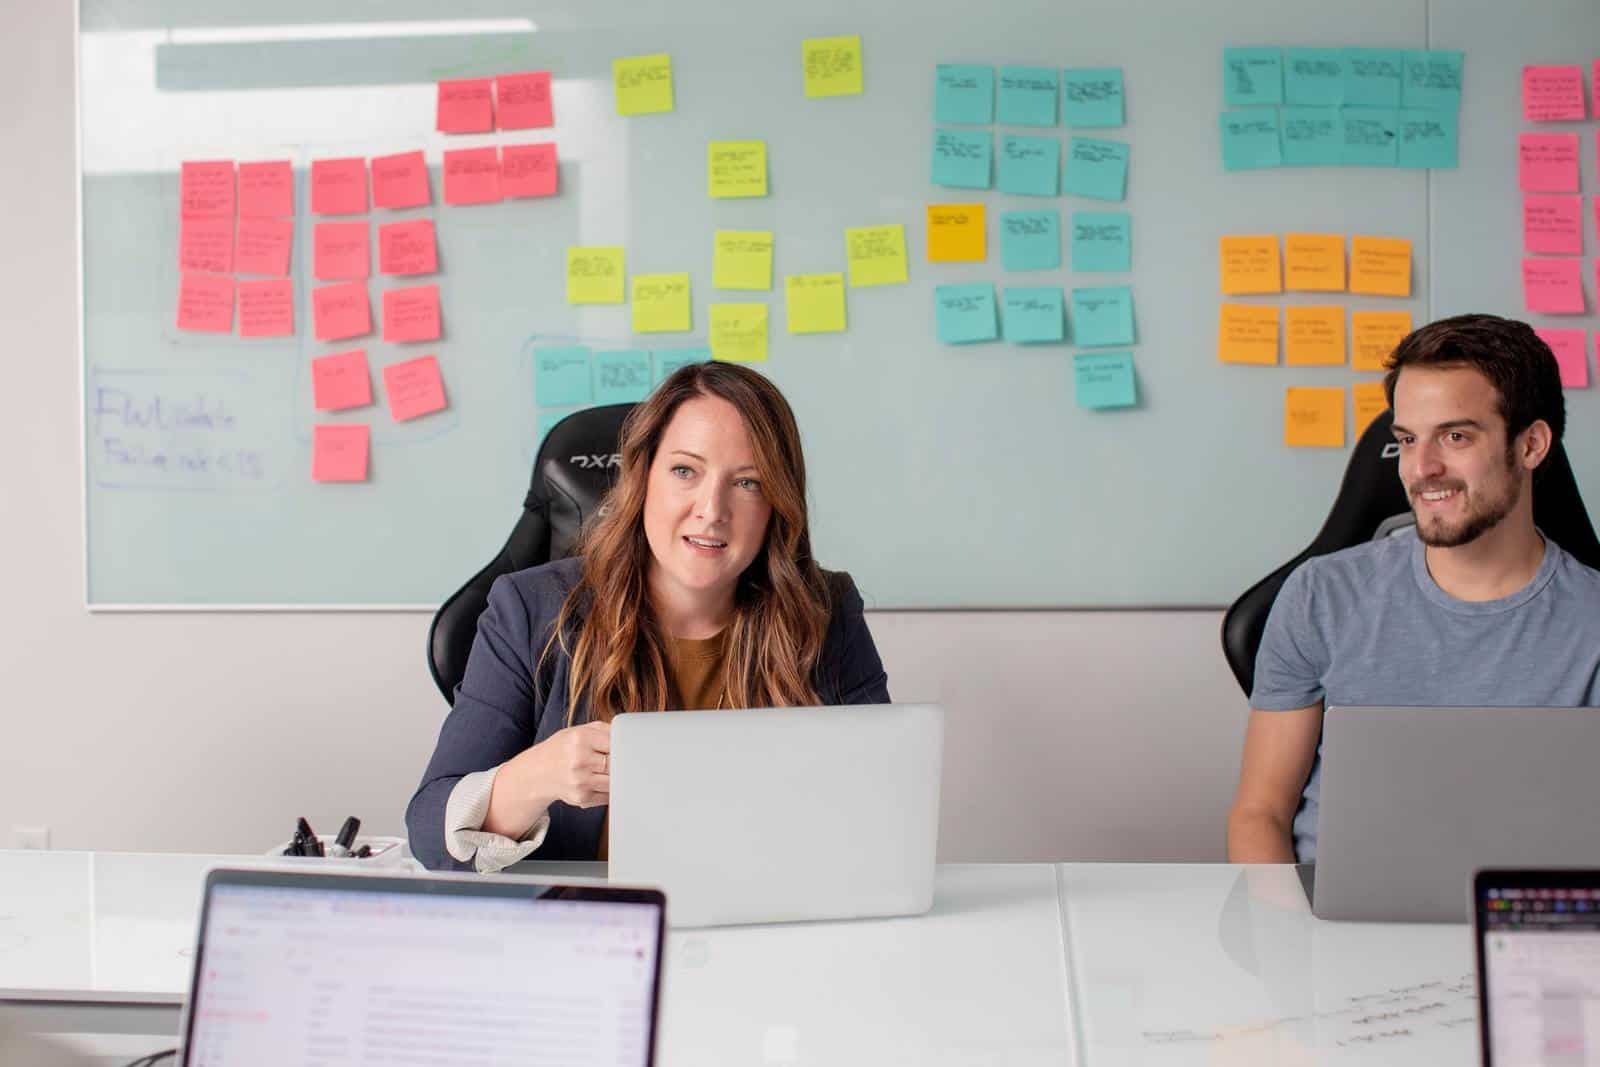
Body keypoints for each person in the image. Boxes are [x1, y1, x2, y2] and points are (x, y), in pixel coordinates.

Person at [407, 362, 891, 870]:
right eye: (686, 471)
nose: (712, 509)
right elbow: (428, 834)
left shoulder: (825, 611)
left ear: (777, 502)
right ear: (643, 478)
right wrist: (537, 776)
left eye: (747, 482)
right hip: (592, 925)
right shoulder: (530, 609)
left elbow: (885, 802)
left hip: (764, 917)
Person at [1228, 314, 1600, 863]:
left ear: (1531, 445)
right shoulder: (1320, 596)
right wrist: (1288, 937)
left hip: (1532, 925)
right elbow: (1261, 813)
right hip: (1336, 927)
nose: (1421, 468)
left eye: (1455, 436)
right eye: (1406, 439)